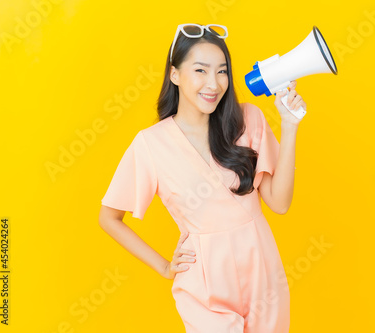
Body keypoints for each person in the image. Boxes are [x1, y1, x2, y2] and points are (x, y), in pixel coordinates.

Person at [98, 23, 306, 333]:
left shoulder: (248, 119)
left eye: (222, 72)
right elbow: (109, 217)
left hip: (263, 271)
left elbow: (280, 202)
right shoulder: (151, 144)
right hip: (205, 284)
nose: (214, 83)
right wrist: (164, 267)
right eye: (200, 70)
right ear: (175, 74)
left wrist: (289, 127)